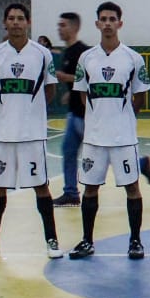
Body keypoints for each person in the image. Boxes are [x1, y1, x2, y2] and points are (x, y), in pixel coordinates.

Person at [0, 2, 61, 259]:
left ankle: (52, 240)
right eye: (11, 18)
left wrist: (31, 112)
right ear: (4, 22)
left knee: (40, 186)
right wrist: (7, 111)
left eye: (20, 18)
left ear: (28, 22)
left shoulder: (42, 54)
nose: (15, 22)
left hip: (32, 134)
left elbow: (50, 89)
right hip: (3, 133)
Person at [68, 1, 150, 259]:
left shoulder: (133, 58)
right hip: (95, 138)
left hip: (123, 137)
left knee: (132, 187)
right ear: (96, 23)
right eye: (103, 19)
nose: (107, 23)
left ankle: (135, 241)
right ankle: (87, 240)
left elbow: (140, 97)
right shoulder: (86, 58)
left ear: (120, 23)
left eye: (112, 19)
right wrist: (98, 119)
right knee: (90, 188)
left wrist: (122, 118)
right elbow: (83, 95)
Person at [52, 12, 90, 206]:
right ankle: (71, 192)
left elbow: (89, 80)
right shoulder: (67, 52)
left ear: (74, 28)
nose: (60, 28)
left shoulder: (83, 52)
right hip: (73, 112)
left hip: (85, 115)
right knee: (68, 151)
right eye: (59, 25)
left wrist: (66, 78)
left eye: (63, 25)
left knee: (105, 155)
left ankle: (140, 164)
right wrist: (70, 92)